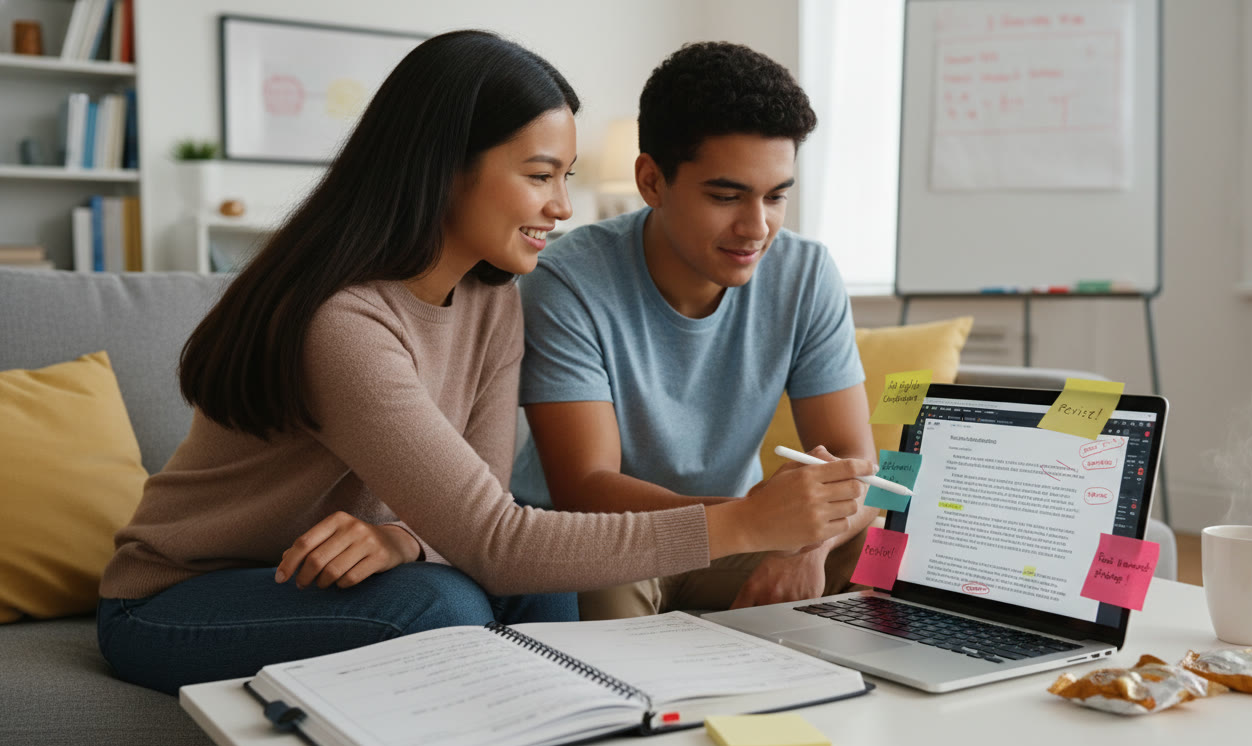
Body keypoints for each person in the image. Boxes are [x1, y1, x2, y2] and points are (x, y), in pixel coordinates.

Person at [97, 31, 873, 695]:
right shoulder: (344, 323)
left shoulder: (492, 299)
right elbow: (498, 538)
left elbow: (485, 501)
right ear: (445, 169)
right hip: (178, 600)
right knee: (444, 607)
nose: (562, 206)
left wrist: (405, 537)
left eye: (565, 177)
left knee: (546, 600)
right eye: (539, 175)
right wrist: (743, 522)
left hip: (341, 573)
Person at [511, 42, 880, 621]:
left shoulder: (806, 274)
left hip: (738, 536)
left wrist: (807, 542)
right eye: (726, 196)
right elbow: (587, 486)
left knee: (878, 550)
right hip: (612, 539)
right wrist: (756, 519)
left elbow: (856, 465)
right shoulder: (567, 281)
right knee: (610, 573)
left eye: (776, 196)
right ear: (651, 181)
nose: (756, 228)